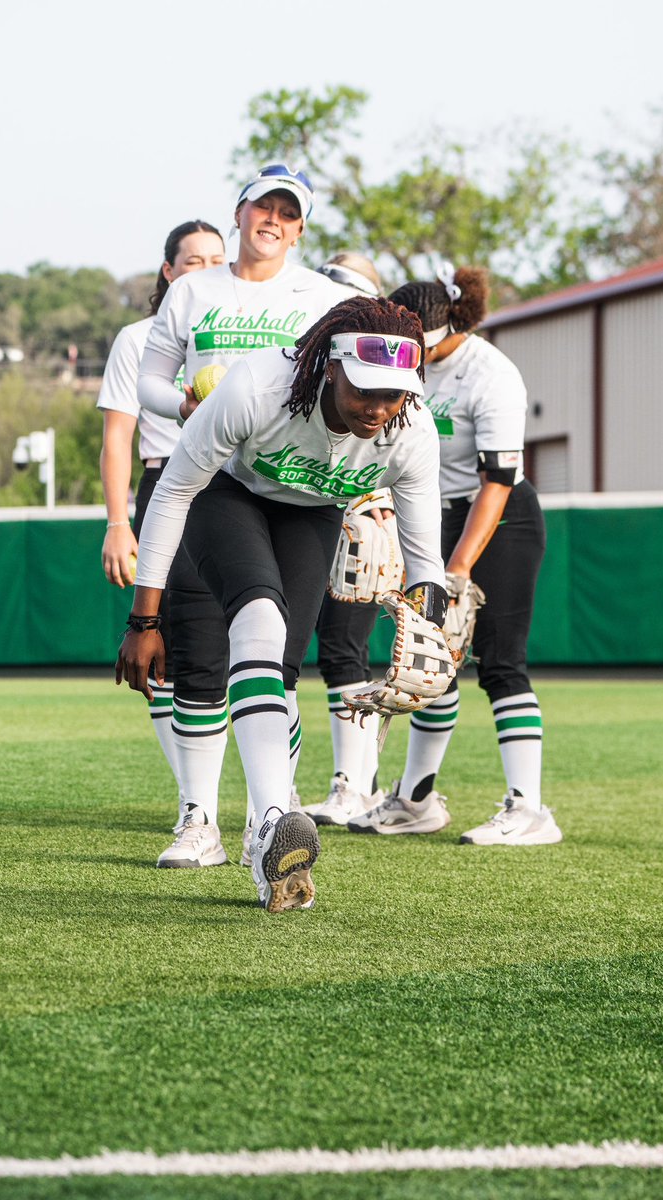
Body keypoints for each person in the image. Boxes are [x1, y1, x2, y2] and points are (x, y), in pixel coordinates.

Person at [116, 296, 448, 912]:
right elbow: (173, 492)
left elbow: (425, 559)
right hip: (226, 494)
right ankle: (274, 819)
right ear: (329, 366)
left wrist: (433, 625)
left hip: (311, 513)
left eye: (394, 392)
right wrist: (145, 619)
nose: (379, 408)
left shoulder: (411, 431)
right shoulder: (256, 387)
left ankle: (264, 828)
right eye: (365, 390)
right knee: (259, 626)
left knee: (282, 676)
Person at [135, 165, 350, 867]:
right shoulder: (193, 289)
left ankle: (273, 812)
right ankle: (199, 819)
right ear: (240, 210)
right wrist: (182, 406)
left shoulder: (322, 294)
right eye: (266, 207)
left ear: (300, 228)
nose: (275, 222)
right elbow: (150, 376)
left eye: (289, 215)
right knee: (199, 653)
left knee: (277, 662)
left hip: (292, 486)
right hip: (206, 479)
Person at [347, 265, 562, 845]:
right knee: (429, 663)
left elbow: (498, 480)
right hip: (430, 516)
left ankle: (530, 808)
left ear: (444, 329)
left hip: (499, 518)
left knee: (500, 663)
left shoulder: (491, 374)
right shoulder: (402, 366)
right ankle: (417, 800)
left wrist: (459, 567)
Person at [98, 220, 226, 793]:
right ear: (168, 271)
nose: (206, 268)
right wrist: (118, 522)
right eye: (192, 260)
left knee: (252, 641)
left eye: (216, 259)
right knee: (166, 644)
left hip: (234, 487)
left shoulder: (240, 331)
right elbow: (117, 437)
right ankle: (194, 798)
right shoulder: (137, 338)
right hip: (164, 486)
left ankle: (274, 795)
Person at [304, 253, 392, 826]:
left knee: (344, 652)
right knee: (313, 651)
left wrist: (385, 514)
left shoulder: (385, 358)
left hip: (362, 510)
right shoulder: (313, 358)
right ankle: (362, 783)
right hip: (306, 512)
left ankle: (355, 785)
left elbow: (400, 448)